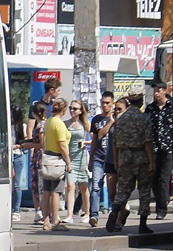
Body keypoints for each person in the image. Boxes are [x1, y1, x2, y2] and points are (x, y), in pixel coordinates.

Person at [107, 92, 155, 234]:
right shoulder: (143, 118)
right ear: (140, 102)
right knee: (144, 191)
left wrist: (116, 161)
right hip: (141, 157)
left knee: (123, 190)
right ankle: (142, 224)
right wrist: (152, 161)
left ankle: (114, 212)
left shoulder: (120, 119)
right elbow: (147, 142)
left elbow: (114, 143)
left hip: (124, 156)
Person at [39, 98, 72, 231]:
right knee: (56, 192)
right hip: (57, 160)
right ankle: (55, 221)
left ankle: (46, 220)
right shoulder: (59, 123)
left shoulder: (49, 122)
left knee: (47, 191)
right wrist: (68, 162)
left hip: (48, 158)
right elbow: (62, 144)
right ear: (64, 110)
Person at [87, 91, 116, 226]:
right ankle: (94, 215)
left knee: (112, 188)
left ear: (112, 103)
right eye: (103, 103)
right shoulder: (96, 120)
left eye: (107, 103)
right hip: (99, 156)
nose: (104, 105)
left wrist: (112, 121)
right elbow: (96, 138)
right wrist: (91, 158)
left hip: (112, 157)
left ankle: (112, 212)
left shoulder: (116, 119)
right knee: (95, 187)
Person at [146, 81, 172, 220]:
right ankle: (162, 200)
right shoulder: (150, 109)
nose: (156, 93)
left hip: (168, 148)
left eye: (158, 90)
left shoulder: (171, 107)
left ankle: (161, 209)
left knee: (164, 178)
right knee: (154, 178)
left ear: (164, 91)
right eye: (154, 91)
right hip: (154, 148)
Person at [64, 100, 91, 225]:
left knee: (83, 186)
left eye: (75, 108)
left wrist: (85, 143)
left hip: (81, 158)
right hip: (70, 159)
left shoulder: (85, 124)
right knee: (70, 186)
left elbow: (95, 140)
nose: (72, 110)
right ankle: (69, 215)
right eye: (71, 108)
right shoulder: (65, 124)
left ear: (81, 111)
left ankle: (87, 212)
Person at [25, 100, 48, 224]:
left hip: (40, 158)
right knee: (36, 185)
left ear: (35, 113)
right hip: (37, 158)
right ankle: (39, 212)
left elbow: (42, 144)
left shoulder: (41, 127)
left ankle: (41, 212)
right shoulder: (43, 125)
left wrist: (29, 145)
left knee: (39, 185)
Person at [10, 106, 31, 222]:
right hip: (7, 155)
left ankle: (16, 210)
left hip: (17, 154)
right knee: (8, 183)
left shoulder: (22, 127)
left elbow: (26, 143)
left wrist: (17, 146)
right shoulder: (6, 125)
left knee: (17, 184)